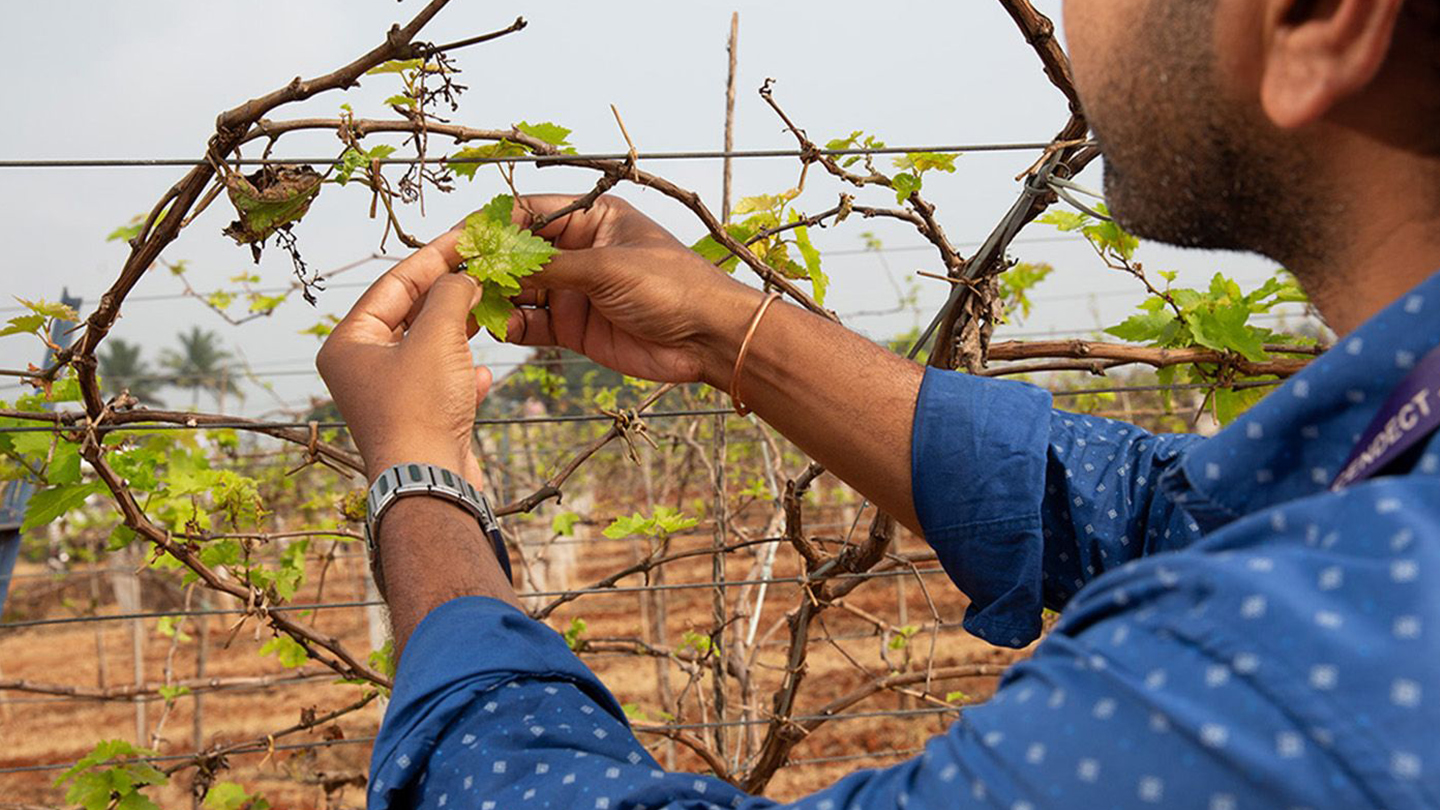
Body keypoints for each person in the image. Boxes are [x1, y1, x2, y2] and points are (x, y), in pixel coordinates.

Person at [316, 0, 1440, 806]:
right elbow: (1162, 516)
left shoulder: (1294, 673)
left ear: (1318, 17)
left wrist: (419, 475)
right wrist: (726, 326)